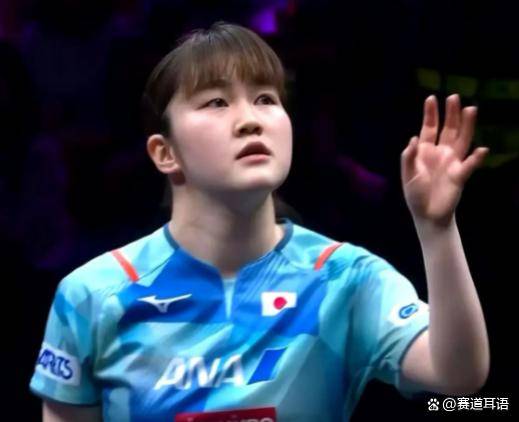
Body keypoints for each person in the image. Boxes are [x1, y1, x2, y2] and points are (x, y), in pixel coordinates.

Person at [29, 21, 490, 422]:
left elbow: (458, 377)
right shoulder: (93, 296)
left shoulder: (344, 278)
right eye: (216, 102)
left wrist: (437, 229)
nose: (250, 120)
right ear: (164, 152)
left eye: (266, 99)